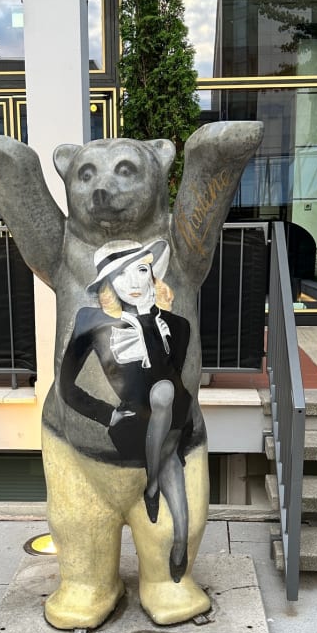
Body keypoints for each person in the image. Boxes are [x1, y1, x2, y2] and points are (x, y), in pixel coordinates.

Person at [59, 239, 192, 581]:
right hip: (132, 423)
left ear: (152, 276)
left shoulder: (177, 326)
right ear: (108, 284)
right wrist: (107, 414)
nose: (133, 282)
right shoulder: (91, 321)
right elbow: (66, 387)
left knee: (165, 393)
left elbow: (173, 377)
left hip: (172, 417)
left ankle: (157, 496)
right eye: (121, 275)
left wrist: (149, 316)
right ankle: (158, 493)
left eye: (142, 270)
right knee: (165, 415)